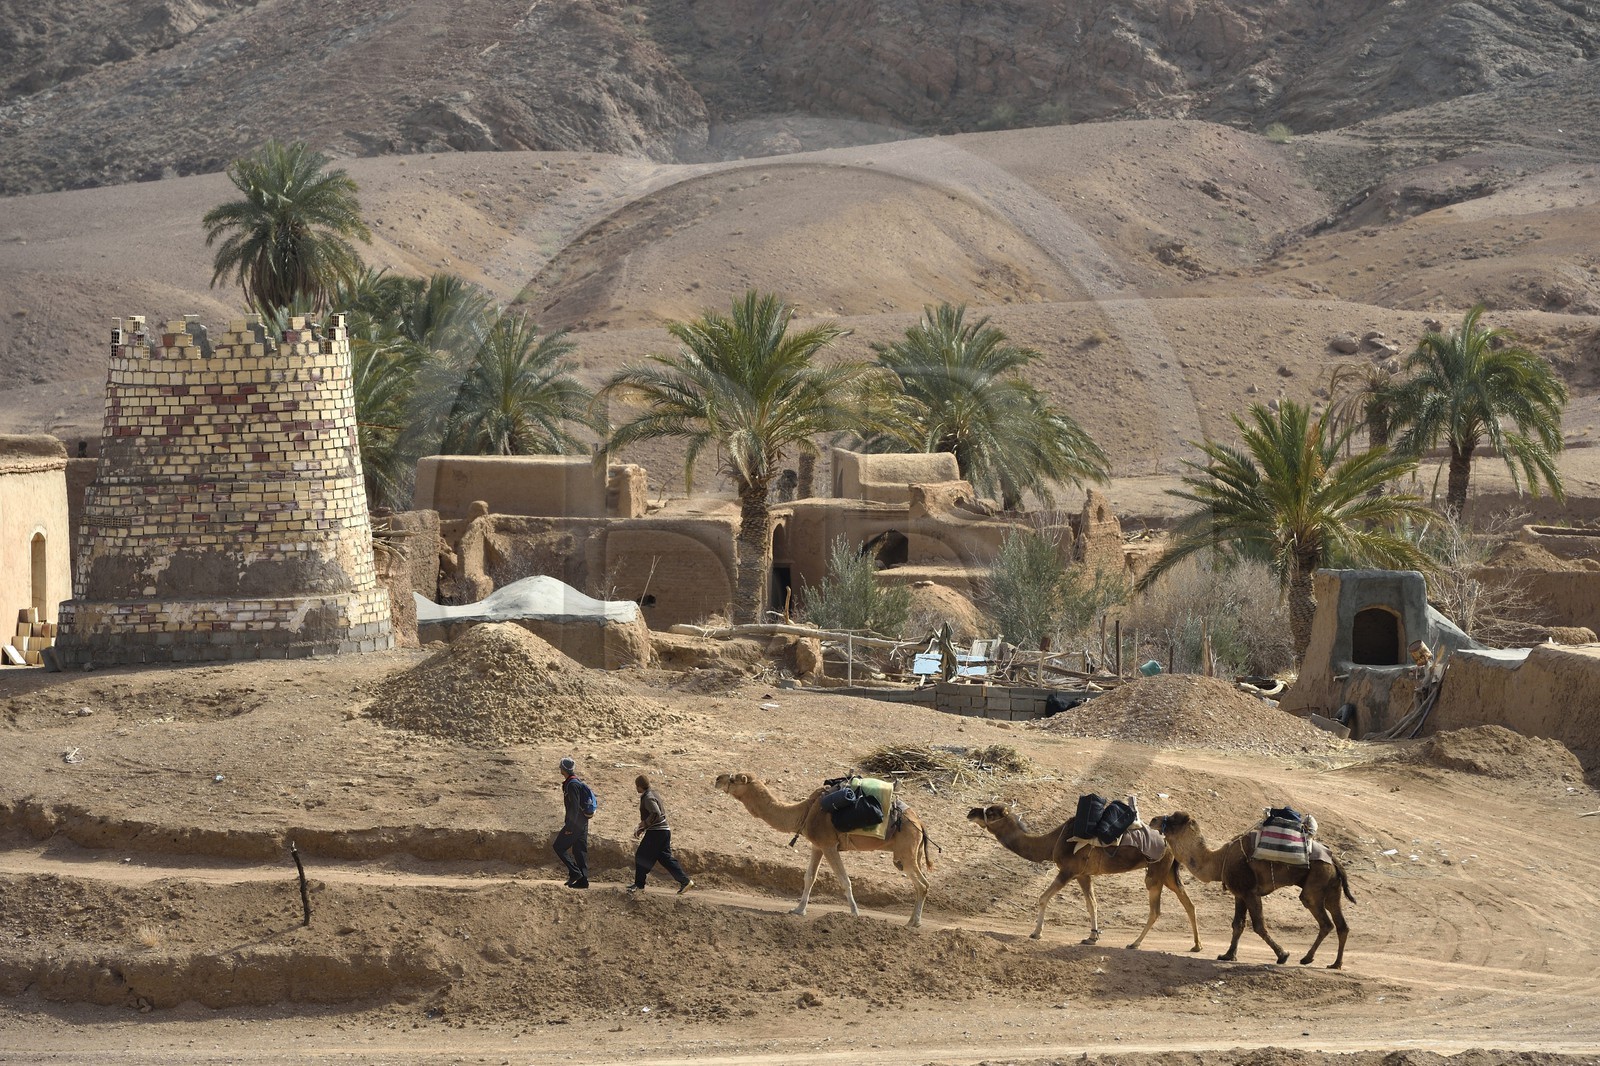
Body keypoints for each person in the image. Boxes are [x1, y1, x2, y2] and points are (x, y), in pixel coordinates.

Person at [627, 774, 693, 895]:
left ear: (640, 786)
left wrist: (644, 824)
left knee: (641, 856)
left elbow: (656, 813)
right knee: (665, 859)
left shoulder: (648, 797)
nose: (636, 789)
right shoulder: (653, 793)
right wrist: (643, 828)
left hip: (656, 833)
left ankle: (639, 885)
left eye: (637, 786)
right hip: (664, 831)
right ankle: (685, 881)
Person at [553, 757, 592, 889]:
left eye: (560, 767)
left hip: (575, 823)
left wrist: (569, 827)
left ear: (563, 769)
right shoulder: (575, 782)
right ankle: (583, 881)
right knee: (579, 851)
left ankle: (575, 873)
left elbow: (574, 808)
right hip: (583, 822)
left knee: (558, 846)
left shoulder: (572, 784)